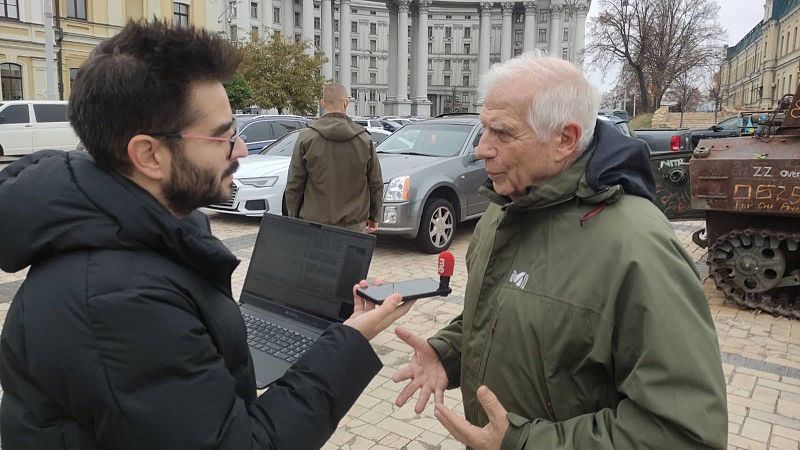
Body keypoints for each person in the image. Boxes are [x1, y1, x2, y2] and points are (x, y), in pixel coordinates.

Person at [0, 20, 412, 450]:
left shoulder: (137, 236)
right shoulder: (120, 301)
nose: (241, 150)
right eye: (222, 136)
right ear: (149, 154)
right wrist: (349, 343)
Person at [391, 53, 728, 450]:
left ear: (564, 140)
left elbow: (686, 433)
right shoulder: (504, 210)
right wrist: (447, 353)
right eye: (483, 130)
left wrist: (524, 443)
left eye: (501, 133)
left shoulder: (638, 246)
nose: (482, 149)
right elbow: (510, 313)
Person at [285, 82, 383, 233]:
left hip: (314, 225)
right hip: (354, 226)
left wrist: (293, 216)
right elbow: (375, 182)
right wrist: (375, 216)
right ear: (346, 103)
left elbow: (294, 183)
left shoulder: (307, 137)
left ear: (322, 103)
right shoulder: (364, 139)